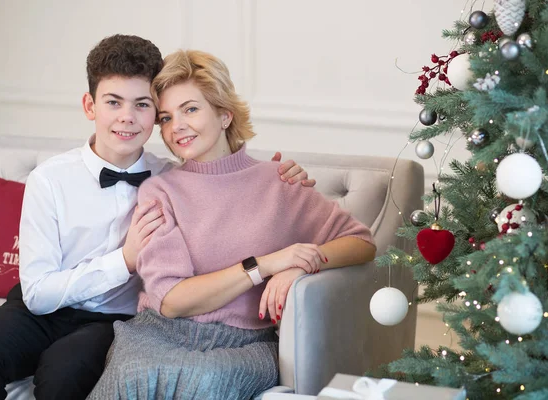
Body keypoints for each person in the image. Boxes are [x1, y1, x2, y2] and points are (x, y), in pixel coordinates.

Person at [0, 35, 313, 400]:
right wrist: (124, 261)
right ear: (89, 105)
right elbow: (37, 295)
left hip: (115, 321)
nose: (127, 117)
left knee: (64, 375)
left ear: (155, 115)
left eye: (142, 105)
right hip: (42, 308)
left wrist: (275, 181)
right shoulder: (49, 179)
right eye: (113, 102)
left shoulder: (174, 181)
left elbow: (230, 189)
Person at [88, 49, 377, 400]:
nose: (176, 126)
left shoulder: (279, 181)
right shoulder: (160, 190)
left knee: (206, 381)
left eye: (190, 109)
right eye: (165, 117)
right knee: (132, 374)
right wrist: (268, 265)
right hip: (159, 333)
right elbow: (172, 301)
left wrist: (301, 267)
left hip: (247, 343)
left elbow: (360, 242)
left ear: (224, 115)